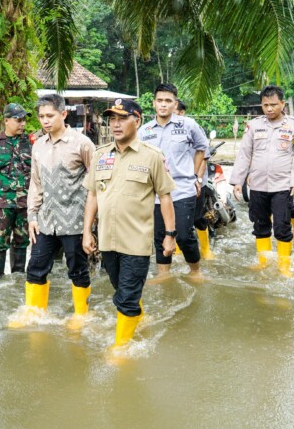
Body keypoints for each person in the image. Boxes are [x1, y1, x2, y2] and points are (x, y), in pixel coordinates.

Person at [82, 98, 176, 351]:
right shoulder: (101, 155)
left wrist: (170, 234)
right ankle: (138, 316)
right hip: (107, 240)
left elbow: (165, 196)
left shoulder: (152, 156)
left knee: (125, 298)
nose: (116, 124)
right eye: (112, 119)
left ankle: (120, 350)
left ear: (137, 121)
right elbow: (92, 195)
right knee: (121, 289)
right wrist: (86, 231)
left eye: (122, 118)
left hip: (136, 241)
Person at [9, 94, 96, 329]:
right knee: (35, 266)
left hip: (75, 220)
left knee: (77, 268)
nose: (45, 121)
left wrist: (91, 224)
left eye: (50, 116)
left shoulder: (82, 144)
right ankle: (34, 313)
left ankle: (81, 315)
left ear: (63, 114)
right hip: (46, 220)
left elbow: (96, 182)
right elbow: (35, 184)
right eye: (41, 117)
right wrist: (32, 216)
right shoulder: (38, 146)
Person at [230, 85, 294, 276]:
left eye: (273, 104)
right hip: (257, 185)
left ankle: (284, 267)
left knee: (282, 226)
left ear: (282, 103)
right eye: (265, 105)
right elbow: (245, 154)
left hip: (282, 186)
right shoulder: (254, 125)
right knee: (260, 224)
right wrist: (237, 181)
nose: (269, 109)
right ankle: (263, 262)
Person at [139, 83, 208, 280]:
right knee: (160, 236)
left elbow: (202, 148)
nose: (163, 105)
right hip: (156, 194)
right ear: (153, 103)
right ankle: (164, 275)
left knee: (185, 235)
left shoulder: (188, 125)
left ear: (174, 103)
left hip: (182, 189)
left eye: (168, 101)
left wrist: (194, 175)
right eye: (160, 100)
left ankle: (196, 271)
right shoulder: (144, 131)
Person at [0, 103, 32, 279]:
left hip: (25, 203)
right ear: (6, 121)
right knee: (1, 242)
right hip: (2, 204)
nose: (22, 124)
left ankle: (17, 279)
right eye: (18, 120)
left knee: (21, 243)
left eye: (24, 120)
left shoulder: (30, 143)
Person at [175, 98, 215, 259]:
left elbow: (204, 158)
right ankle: (177, 252)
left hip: (195, 181)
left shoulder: (193, 128)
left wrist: (197, 180)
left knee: (197, 217)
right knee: (175, 219)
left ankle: (206, 250)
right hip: (174, 183)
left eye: (174, 110)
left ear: (182, 112)